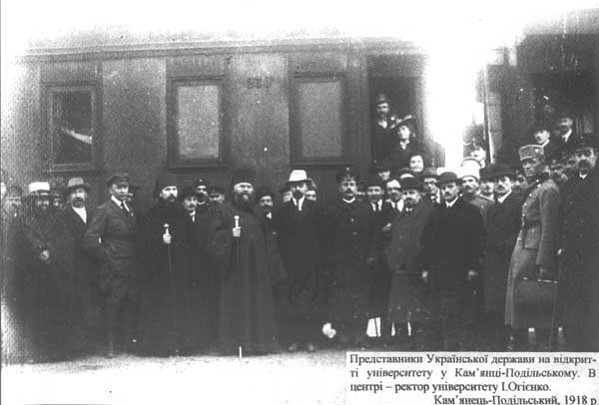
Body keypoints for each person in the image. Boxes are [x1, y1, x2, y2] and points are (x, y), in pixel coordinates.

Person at [210, 168, 283, 355]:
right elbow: (214, 239)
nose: (246, 190)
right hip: (234, 273)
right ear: (234, 189)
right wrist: (229, 236)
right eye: (242, 186)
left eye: (249, 187)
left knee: (258, 305)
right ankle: (234, 344)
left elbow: (269, 242)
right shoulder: (224, 210)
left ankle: (259, 344)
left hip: (257, 273)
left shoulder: (257, 211)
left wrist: (273, 268)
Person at [421, 171, 485, 350]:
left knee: (462, 308)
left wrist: (473, 267)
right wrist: (426, 268)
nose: (447, 191)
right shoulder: (435, 212)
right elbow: (427, 242)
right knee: (443, 308)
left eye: (450, 187)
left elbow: (477, 241)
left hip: (462, 270)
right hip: (439, 270)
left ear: (458, 188)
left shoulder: (470, 211)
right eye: (443, 188)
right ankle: (448, 344)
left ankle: (464, 345)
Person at [505, 145, 560, 351]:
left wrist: (545, 262)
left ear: (542, 162)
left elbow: (549, 228)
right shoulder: (535, 187)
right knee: (522, 297)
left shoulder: (548, 189)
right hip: (524, 245)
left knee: (537, 296)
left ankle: (544, 343)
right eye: (525, 163)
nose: (527, 166)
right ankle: (523, 341)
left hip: (535, 250)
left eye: (532, 162)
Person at [84, 173, 139, 357]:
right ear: (111, 190)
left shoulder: (129, 209)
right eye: (119, 187)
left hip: (130, 263)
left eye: (125, 187)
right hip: (114, 265)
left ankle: (127, 342)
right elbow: (91, 239)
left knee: (129, 301)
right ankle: (110, 345)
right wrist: (107, 257)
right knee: (112, 304)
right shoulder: (104, 210)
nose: (123, 190)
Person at [323, 167, 378, 347]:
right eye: (345, 184)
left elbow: (373, 235)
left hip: (361, 263)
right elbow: (327, 237)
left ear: (356, 187)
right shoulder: (331, 209)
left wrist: (371, 255)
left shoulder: (365, 208)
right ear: (340, 187)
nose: (348, 187)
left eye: (352, 184)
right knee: (342, 300)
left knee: (361, 299)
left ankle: (360, 335)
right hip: (340, 264)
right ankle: (343, 336)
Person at [139, 173, 193, 355]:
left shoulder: (182, 214)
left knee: (180, 305)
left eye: (174, 189)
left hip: (179, 267)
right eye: (167, 190)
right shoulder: (151, 214)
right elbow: (144, 242)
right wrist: (159, 240)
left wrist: (177, 242)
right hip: (159, 270)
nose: (171, 193)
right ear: (160, 193)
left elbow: (191, 240)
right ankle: (161, 345)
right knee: (160, 306)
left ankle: (181, 343)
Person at [273, 170, 324, 353]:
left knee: (310, 301)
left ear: (307, 187)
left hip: (311, 263)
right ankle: (294, 338)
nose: (297, 188)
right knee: (292, 301)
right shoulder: (281, 211)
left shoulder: (317, 209)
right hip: (290, 263)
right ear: (290, 188)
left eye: (301, 185)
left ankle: (310, 338)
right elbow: (278, 239)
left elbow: (322, 236)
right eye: (294, 185)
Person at [557, 135, 599, 351]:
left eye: (587, 153)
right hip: (572, 256)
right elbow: (562, 218)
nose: (583, 158)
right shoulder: (569, 184)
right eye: (579, 154)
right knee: (573, 307)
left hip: (595, 256)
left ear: (596, 155)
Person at [384, 177, 434, 350]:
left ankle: (419, 340)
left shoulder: (427, 213)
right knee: (400, 306)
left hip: (417, 268)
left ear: (419, 194)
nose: (408, 196)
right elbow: (393, 240)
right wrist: (392, 260)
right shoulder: (400, 215)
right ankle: (402, 340)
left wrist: (426, 266)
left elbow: (429, 242)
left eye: (412, 193)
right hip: (400, 268)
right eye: (405, 193)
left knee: (417, 306)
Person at [481, 164, 521, 350]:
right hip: (492, 262)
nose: (500, 184)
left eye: (504, 180)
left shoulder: (518, 203)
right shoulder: (491, 207)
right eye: (496, 180)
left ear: (512, 182)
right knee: (495, 303)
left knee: (509, 302)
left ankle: (510, 341)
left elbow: (519, 233)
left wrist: (500, 246)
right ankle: (497, 342)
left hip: (509, 259)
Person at [58, 177, 99, 354]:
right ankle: (77, 345)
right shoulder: (63, 216)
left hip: (94, 265)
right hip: (75, 266)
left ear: (86, 194)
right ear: (68, 196)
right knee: (77, 303)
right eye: (74, 192)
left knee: (94, 302)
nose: (78, 195)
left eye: (81, 192)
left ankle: (93, 343)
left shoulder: (94, 213)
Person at [180, 185, 219, 351]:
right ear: (182, 202)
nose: (192, 203)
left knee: (202, 304)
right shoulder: (178, 219)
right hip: (183, 269)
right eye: (188, 200)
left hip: (202, 269)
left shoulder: (206, 219)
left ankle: (203, 340)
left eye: (195, 200)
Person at [371, 94, 399, 164]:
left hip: (394, 156)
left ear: (388, 108)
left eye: (384, 107)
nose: (382, 110)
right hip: (379, 157)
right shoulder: (373, 124)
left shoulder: (394, 122)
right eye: (379, 108)